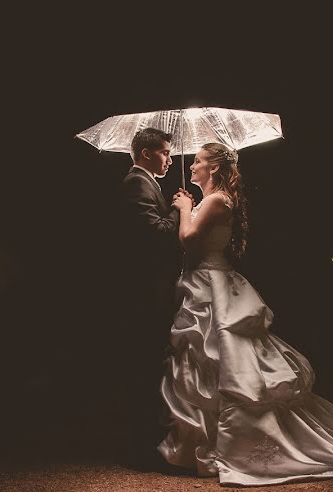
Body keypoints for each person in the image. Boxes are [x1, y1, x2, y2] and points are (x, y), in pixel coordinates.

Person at [159, 143, 333, 486]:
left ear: (215, 168)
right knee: (205, 364)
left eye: (199, 161)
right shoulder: (212, 199)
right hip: (204, 284)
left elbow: (190, 241)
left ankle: (237, 444)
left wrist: (184, 208)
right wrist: (191, 206)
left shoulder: (217, 200)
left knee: (227, 362)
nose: (191, 166)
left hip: (213, 287)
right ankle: (204, 442)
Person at [117, 127, 192, 467]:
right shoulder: (136, 183)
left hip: (154, 291)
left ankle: (149, 444)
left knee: (152, 366)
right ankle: (140, 450)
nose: (169, 159)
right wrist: (180, 209)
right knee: (145, 367)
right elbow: (157, 235)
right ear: (146, 153)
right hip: (145, 294)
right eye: (164, 152)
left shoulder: (147, 183)